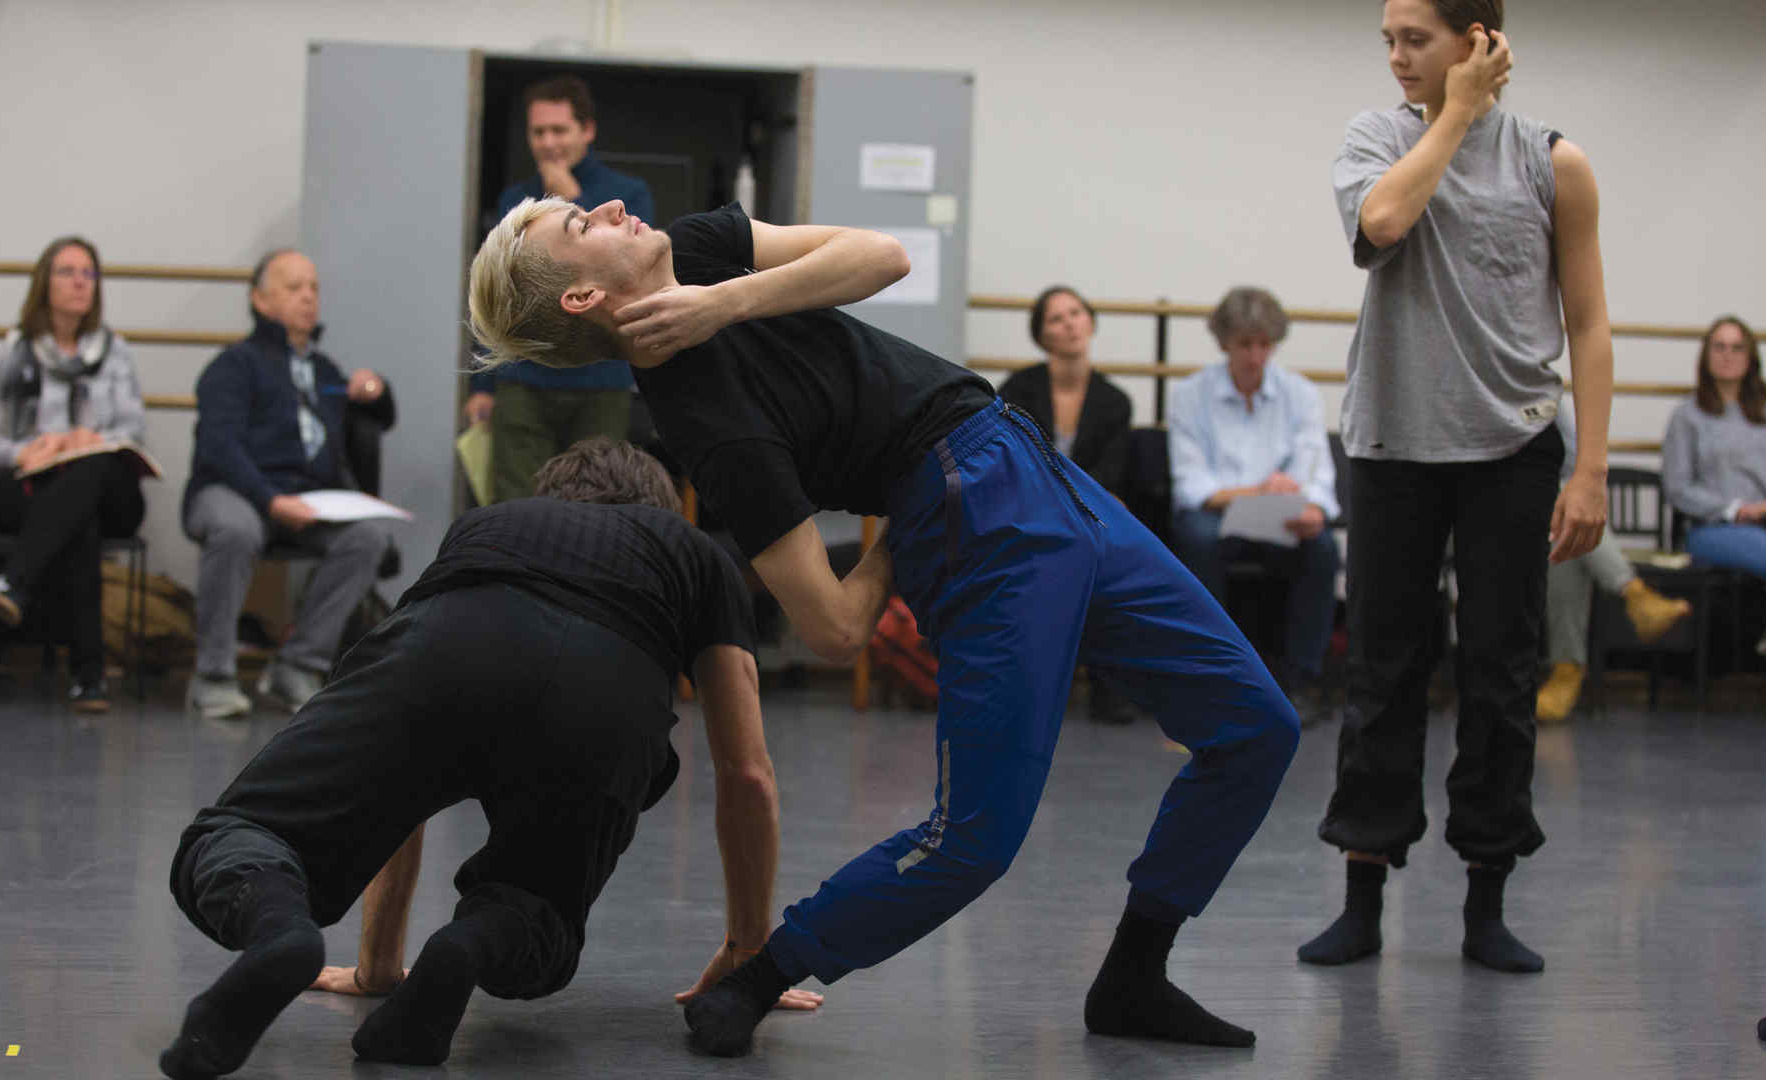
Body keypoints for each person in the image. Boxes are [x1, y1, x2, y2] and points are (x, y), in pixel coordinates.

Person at [468, 196, 1300, 1055]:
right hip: (975, 508)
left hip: (1038, 470)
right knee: (972, 839)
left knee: (1256, 727)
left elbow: (882, 256)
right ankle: (762, 976)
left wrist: (725, 300)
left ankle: (1134, 972)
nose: (608, 206)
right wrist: (910, 532)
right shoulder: (707, 422)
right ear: (583, 299)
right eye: (580, 227)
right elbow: (831, 627)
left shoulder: (698, 248)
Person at [160, 440, 796, 1078]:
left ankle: (277, 927)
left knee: (242, 835)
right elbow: (747, 774)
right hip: (603, 692)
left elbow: (401, 783)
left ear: (552, 497)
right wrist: (749, 951)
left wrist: (377, 964)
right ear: (658, 510)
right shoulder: (695, 553)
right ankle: (468, 944)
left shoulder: (490, 525)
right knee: (537, 908)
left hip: (450, 643)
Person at [1301, 0, 1613, 976]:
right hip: (1393, 441)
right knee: (1384, 669)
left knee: (1500, 672)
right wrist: (1452, 115)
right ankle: (1363, 895)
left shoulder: (1553, 162)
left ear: (1478, 40)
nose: (1395, 56)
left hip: (1512, 449)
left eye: (1416, 39)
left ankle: (1486, 903)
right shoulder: (1375, 138)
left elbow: (1592, 322)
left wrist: (1591, 468)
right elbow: (1384, 221)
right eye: (1387, 39)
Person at [182, 250, 395, 719]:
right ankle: (212, 674)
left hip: (305, 497)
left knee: (369, 537)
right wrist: (270, 500)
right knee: (236, 530)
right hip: (232, 490)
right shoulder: (233, 366)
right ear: (260, 300)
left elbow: (381, 417)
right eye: (294, 287)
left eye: (314, 288)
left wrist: (376, 389)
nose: (308, 297)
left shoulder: (324, 372)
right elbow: (220, 448)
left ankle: (297, 665)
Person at [461, 75, 655, 505]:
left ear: (587, 130)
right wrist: (484, 387)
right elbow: (496, 296)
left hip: (602, 377)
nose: (548, 142)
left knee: (600, 497)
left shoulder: (628, 195)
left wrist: (573, 200)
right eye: (538, 132)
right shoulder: (516, 199)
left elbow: (636, 274)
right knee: (517, 500)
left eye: (559, 130)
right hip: (525, 379)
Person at [0, 236, 147, 712]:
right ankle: (89, 678)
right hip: (36, 484)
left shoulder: (116, 351)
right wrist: (32, 448)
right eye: (67, 272)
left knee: (88, 473)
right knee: (77, 520)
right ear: (43, 283)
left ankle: (14, 582)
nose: (79, 283)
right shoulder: (14, 351)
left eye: (88, 273)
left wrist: (87, 440)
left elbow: (134, 428)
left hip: (109, 485)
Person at [1167, 287, 1340, 723]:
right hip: (1217, 517)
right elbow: (1192, 487)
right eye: (1246, 344)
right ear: (1224, 343)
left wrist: (1314, 510)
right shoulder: (1190, 394)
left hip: (1277, 516)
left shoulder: (1299, 393)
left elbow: (1318, 474)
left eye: (1264, 344)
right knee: (1196, 536)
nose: (1256, 356)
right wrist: (1260, 493)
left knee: (1321, 548)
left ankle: (1302, 680)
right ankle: (1213, 678)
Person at [998, 285, 1141, 724]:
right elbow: (1012, 466)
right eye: (1056, 318)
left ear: (1091, 322)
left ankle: (1105, 684)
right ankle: (1029, 685)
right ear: (1042, 335)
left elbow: (1112, 477)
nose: (1069, 323)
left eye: (1076, 313)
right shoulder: (1018, 388)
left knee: (1104, 551)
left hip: (1088, 512)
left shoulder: (1115, 401)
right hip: (1030, 511)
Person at [1535, 402, 1689, 723]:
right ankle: (1634, 594)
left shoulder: (1539, 388)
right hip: (1475, 506)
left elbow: (1574, 459)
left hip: (1539, 512)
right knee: (1564, 513)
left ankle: (1567, 671)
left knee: (1566, 528)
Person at [1662, 316, 1766, 667]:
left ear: (1750, 358)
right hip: (1711, 530)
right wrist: (1737, 510)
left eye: (1737, 347)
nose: (1728, 355)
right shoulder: (1687, 416)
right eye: (1720, 346)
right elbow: (1677, 488)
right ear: (1707, 356)